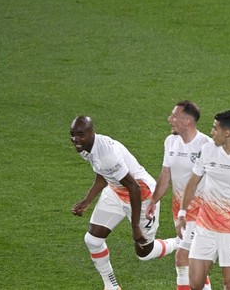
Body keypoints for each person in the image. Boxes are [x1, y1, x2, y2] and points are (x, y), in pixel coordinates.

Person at [70, 116, 178, 290]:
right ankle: (111, 286)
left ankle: (181, 242)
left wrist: (135, 227)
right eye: (73, 134)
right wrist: (87, 200)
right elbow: (102, 172)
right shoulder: (84, 147)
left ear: (92, 133)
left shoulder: (107, 154)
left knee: (145, 252)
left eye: (80, 134)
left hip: (142, 196)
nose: (75, 139)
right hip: (116, 191)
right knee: (92, 240)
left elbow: (133, 187)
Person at [176, 110, 230, 290]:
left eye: (215, 128)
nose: (211, 132)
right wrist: (182, 212)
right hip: (204, 227)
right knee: (195, 282)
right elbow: (193, 183)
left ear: (228, 133)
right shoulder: (207, 151)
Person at [144, 101, 213, 290]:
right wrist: (153, 201)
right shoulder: (170, 141)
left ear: (188, 120)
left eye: (174, 116)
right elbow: (166, 175)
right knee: (193, 264)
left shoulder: (205, 145)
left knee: (182, 258)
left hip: (201, 212)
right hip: (179, 211)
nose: (170, 119)